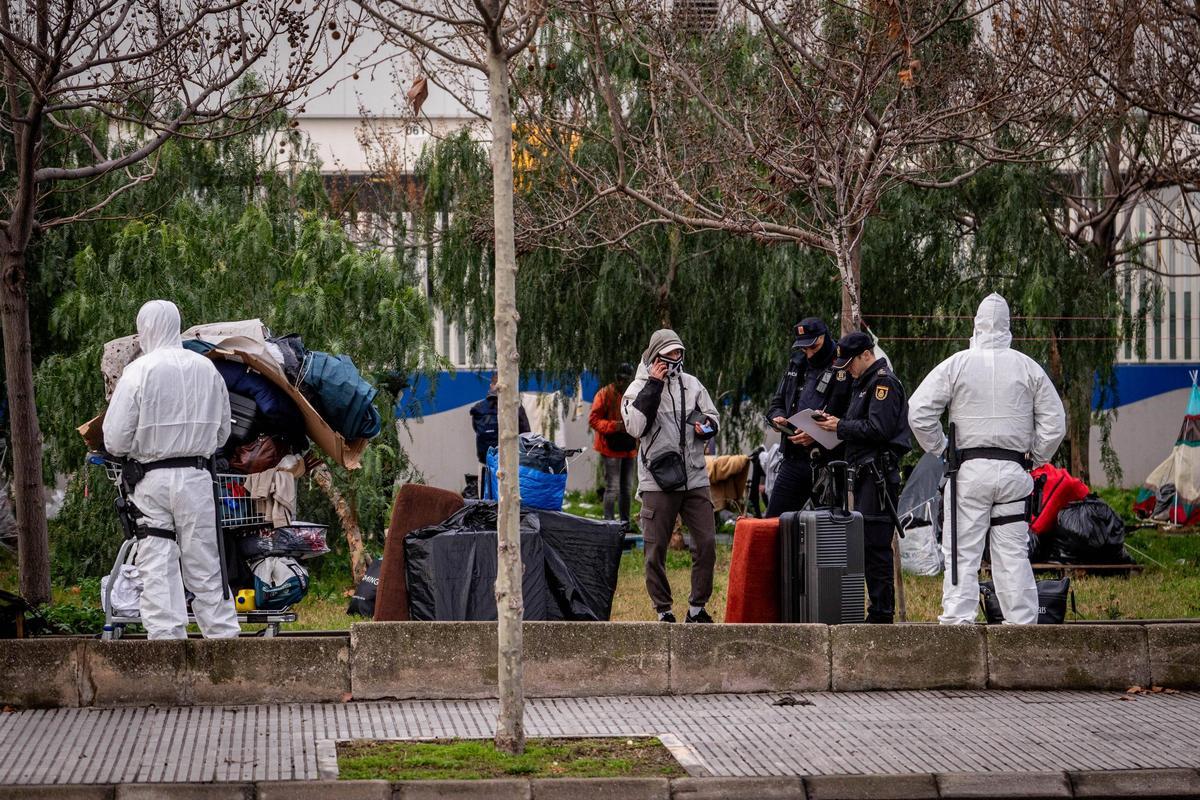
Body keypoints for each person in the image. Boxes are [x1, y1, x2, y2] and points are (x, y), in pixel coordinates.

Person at [907, 293, 1066, 625]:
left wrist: (942, 448)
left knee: (961, 553)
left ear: (976, 325)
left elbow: (919, 412)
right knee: (1012, 555)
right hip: (1014, 473)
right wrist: (1034, 458)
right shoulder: (1028, 368)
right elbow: (1055, 424)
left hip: (968, 473)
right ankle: (1021, 625)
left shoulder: (957, 365)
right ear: (1008, 326)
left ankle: (958, 621)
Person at [102, 300, 241, 640]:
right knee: (205, 562)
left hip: (150, 480)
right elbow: (223, 433)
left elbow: (115, 439)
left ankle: (166, 641)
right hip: (197, 477)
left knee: (157, 562)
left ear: (144, 329)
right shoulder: (207, 369)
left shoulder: (138, 371)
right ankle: (223, 640)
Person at [622, 330, 719, 623]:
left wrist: (707, 427)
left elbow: (713, 418)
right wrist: (653, 385)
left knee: (706, 543)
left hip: (695, 476)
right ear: (655, 356)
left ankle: (697, 609)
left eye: (679, 353)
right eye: (669, 354)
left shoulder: (693, 384)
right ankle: (663, 610)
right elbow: (635, 427)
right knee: (655, 549)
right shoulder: (637, 388)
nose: (675, 359)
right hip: (657, 480)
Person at [815, 331, 910, 624]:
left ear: (866, 355)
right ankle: (875, 608)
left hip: (878, 476)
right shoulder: (862, 384)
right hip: (862, 474)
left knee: (876, 545)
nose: (848, 370)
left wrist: (840, 426)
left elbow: (878, 429)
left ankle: (881, 614)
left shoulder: (882, 384)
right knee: (865, 544)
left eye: (850, 364)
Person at [765, 317, 853, 516]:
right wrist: (779, 418)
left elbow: (852, 416)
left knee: (829, 525)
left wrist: (816, 433)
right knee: (775, 522)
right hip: (793, 458)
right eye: (805, 348)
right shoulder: (797, 364)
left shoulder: (843, 364)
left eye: (814, 346)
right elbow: (777, 403)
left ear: (824, 337)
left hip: (828, 462)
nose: (810, 353)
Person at [589, 363, 638, 526]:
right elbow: (593, 420)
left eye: (626, 380)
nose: (623, 383)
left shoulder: (634, 395)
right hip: (610, 447)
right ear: (616, 378)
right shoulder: (604, 394)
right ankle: (608, 524)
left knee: (627, 488)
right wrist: (614, 426)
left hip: (629, 447)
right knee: (613, 488)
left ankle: (625, 523)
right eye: (621, 379)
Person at [469, 373, 531, 480]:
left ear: (491, 386)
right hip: (509, 464)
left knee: (487, 489)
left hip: (485, 463)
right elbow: (526, 433)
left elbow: (476, 429)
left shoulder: (478, 408)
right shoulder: (515, 407)